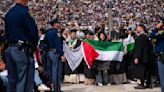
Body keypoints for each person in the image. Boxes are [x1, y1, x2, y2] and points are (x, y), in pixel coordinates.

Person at [4, 0, 39, 92]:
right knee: (24, 81)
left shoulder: (9, 13)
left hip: (10, 49)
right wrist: (34, 45)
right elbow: (33, 32)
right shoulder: (25, 12)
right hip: (22, 50)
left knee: (12, 81)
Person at [44, 18, 65, 92]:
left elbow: (44, 43)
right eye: (58, 22)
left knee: (51, 71)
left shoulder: (48, 32)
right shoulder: (57, 32)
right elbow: (58, 44)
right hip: (56, 53)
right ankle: (57, 89)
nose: (59, 24)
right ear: (55, 24)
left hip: (49, 53)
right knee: (56, 73)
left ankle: (52, 87)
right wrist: (61, 54)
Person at [133, 24, 152, 89]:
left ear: (141, 28)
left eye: (137, 28)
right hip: (147, 57)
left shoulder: (141, 37)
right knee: (147, 70)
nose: (136, 29)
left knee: (141, 71)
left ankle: (142, 84)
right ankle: (148, 84)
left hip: (142, 57)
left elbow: (139, 48)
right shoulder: (146, 36)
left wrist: (136, 57)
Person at [150, 21, 164, 92]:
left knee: (163, 79)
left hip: (162, 57)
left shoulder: (162, 33)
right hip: (161, 56)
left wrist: (156, 28)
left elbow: (151, 35)